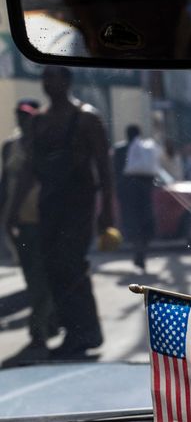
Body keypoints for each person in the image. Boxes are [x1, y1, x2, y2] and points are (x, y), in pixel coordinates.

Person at [30, 65, 115, 357]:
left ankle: (86, 333)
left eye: (53, 76)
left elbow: (105, 168)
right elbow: (32, 170)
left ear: (66, 81)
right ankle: (71, 331)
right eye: (44, 77)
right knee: (53, 268)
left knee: (70, 264)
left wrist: (108, 214)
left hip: (78, 205)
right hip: (49, 205)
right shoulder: (39, 121)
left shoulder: (87, 118)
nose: (47, 83)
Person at [0, 99, 58, 350]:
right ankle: (47, 320)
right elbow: (6, 183)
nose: (24, 121)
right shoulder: (10, 146)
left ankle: (40, 327)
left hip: (45, 218)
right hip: (20, 219)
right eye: (20, 116)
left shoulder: (47, 147)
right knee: (32, 275)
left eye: (29, 117)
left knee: (43, 276)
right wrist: (6, 215)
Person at [114, 124, 159, 272]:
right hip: (144, 193)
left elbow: (113, 171)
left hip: (126, 193)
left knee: (133, 224)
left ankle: (138, 252)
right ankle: (140, 253)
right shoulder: (145, 150)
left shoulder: (119, 150)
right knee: (145, 224)